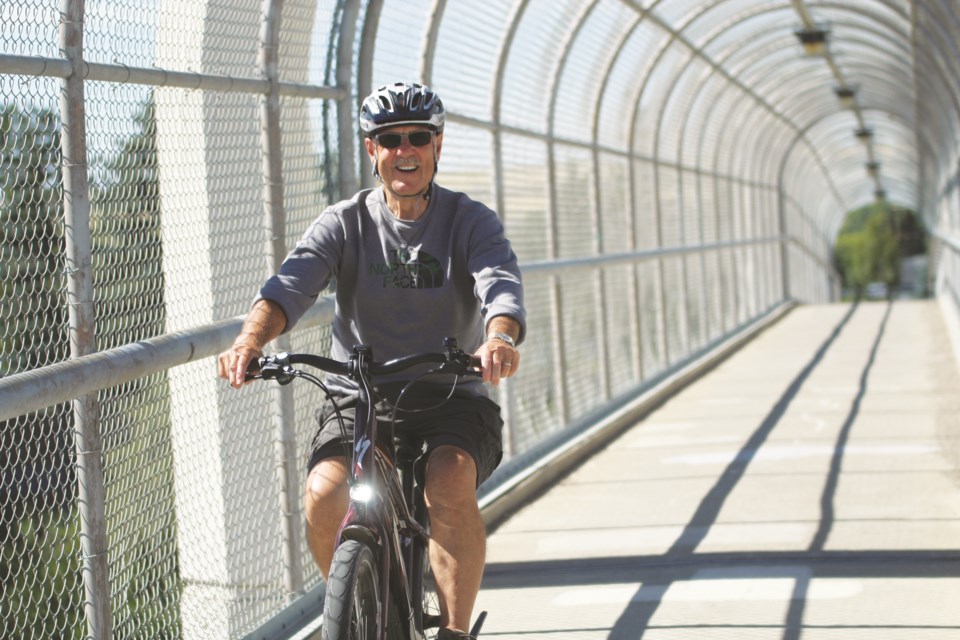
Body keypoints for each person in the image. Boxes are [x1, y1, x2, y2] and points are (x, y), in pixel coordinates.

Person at [217, 81, 525, 640]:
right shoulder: (344, 222)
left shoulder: (470, 220)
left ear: (436, 146)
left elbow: (498, 285)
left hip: (451, 395)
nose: (404, 150)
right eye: (390, 140)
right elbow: (290, 286)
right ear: (371, 150)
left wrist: (499, 337)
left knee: (448, 483)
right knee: (324, 495)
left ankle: (454, 631)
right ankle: (359, 603)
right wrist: (250, 341)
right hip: (359, 396)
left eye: (418, 138)